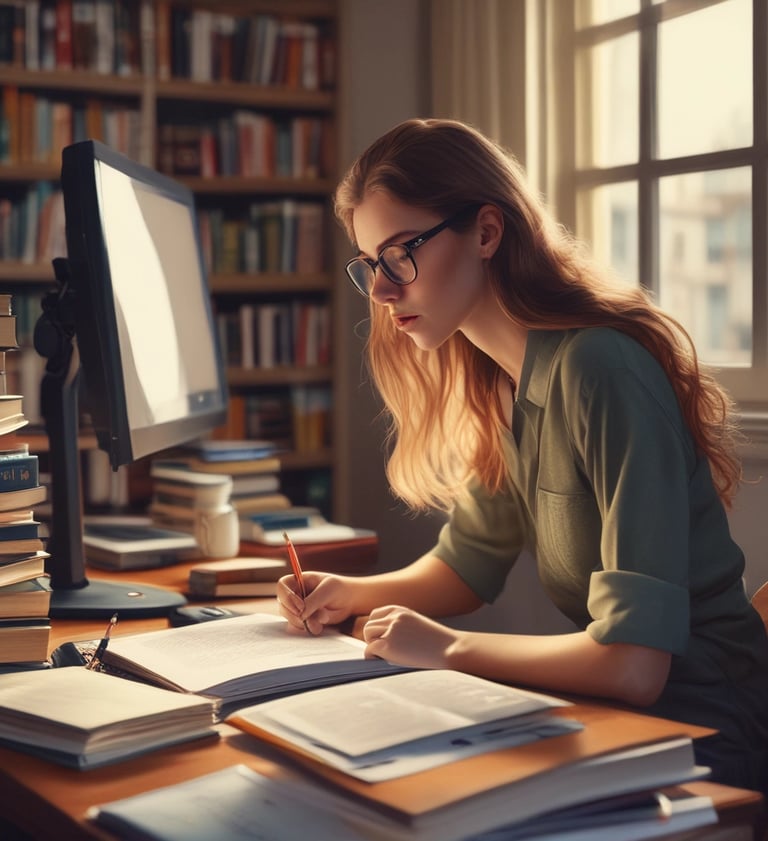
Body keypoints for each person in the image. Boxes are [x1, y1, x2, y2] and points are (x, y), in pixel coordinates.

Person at [277, 117, 768, 793]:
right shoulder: (499, 380)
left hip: (709, 731)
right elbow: (467, 566)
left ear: (485, 231)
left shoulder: (599, 369)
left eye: (400, 253)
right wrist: (348, 595)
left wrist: (447, 649)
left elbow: (634, 662)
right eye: (371, 265)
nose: (384, 291)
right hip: (625, 718)